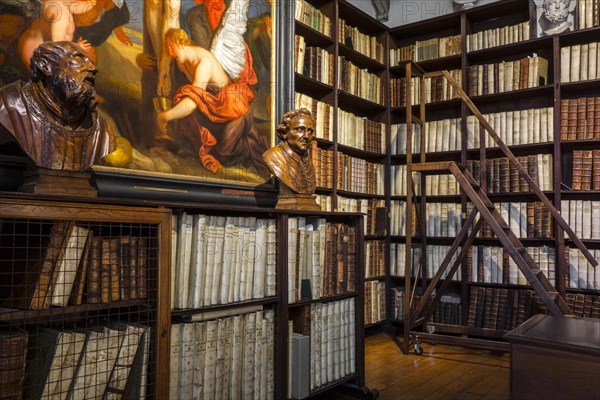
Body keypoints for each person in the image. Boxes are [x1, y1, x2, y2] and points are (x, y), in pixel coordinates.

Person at [156, 27, 269, 177]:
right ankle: (191, 146)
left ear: (181, 43)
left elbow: (192, 103)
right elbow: (197, 97)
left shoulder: (203, 64)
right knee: (182, 95)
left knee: (225, 153)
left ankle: (247, 146)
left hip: (230, 110)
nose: (170, 53)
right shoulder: (183, 62)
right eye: (168, 48)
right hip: (212, 108)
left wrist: (165, 116)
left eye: (172, 48)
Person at [0, 41, 131, 170]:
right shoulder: (8, 105)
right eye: (79, 60)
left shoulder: (99, 126)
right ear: (45, 66)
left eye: (91, 61)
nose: (93, 68)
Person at [262, 108, 316, 195]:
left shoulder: (307, 159)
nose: (306, 136)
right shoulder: (272, 156)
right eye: (299, 129)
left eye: (310, 131)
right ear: (285, 132)